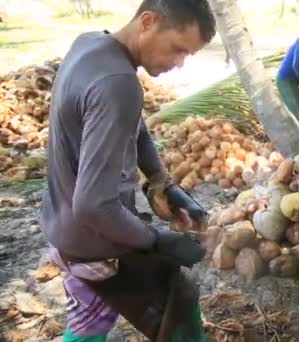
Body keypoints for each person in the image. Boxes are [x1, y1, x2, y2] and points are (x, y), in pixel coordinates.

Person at [40, 1, 216, 341]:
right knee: (177, 303)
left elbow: (133, 127)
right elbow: (93, 205)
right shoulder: (118, 83)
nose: (179, 63)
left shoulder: (91, 44)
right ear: (147, 22)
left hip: (65, 229)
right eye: (177, 49)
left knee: (90, 321)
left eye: (187, 56)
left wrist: (161, 181)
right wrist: (157, 240)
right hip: (95, 240)